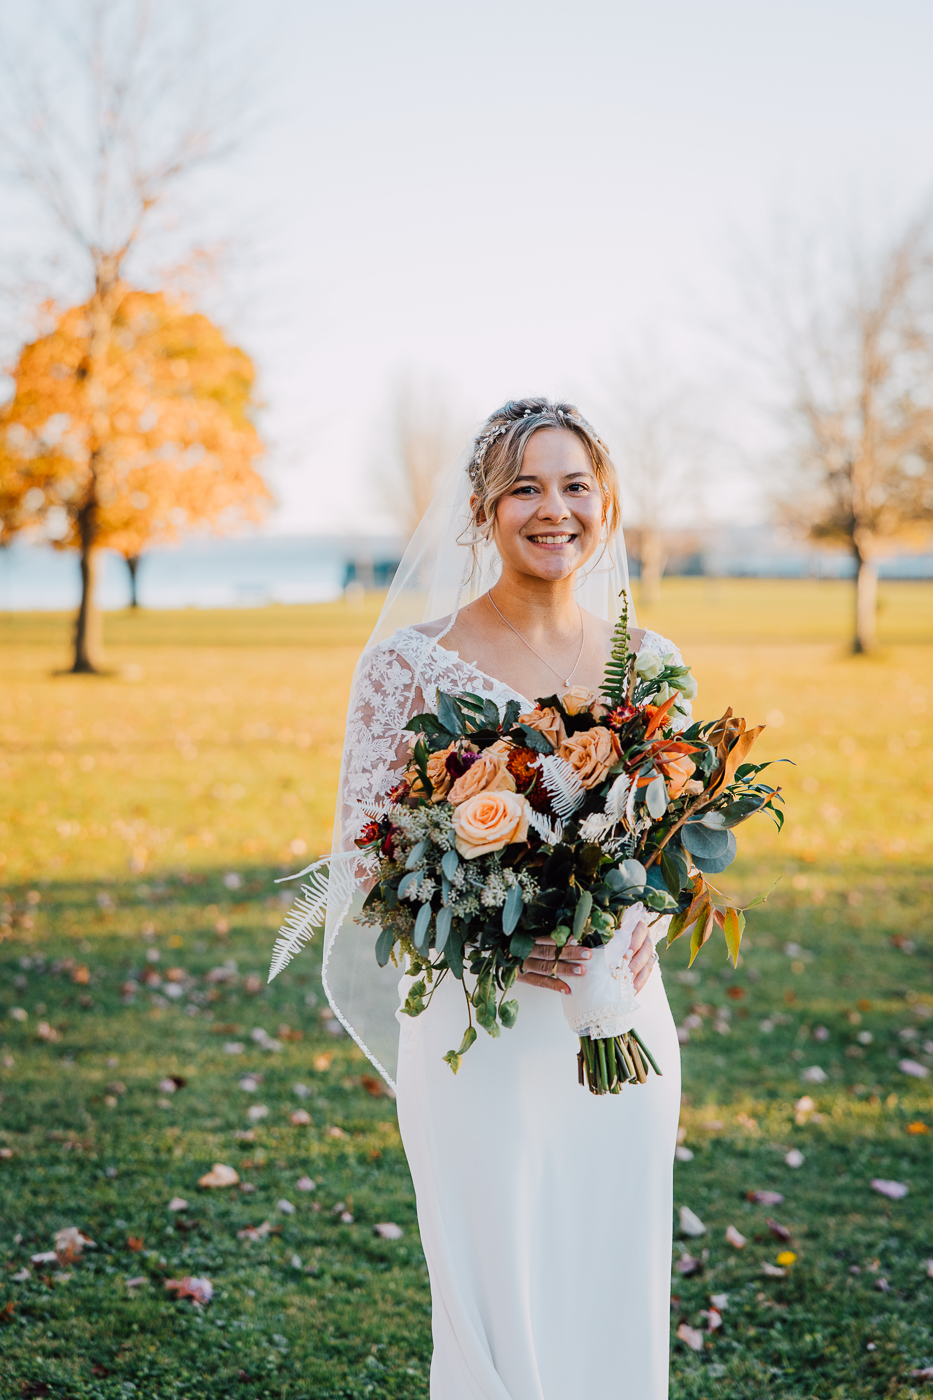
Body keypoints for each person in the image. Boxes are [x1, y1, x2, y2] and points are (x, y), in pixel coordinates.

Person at [274, 398, 687, 1399]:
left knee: (608, 1277)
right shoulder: (409, 666)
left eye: (576, 485)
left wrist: (650, 915)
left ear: (608, 502)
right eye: (526, 487)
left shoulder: (656, 663)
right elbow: (371, 865)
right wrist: (490, 937)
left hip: (622, 1023)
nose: (555, 509)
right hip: (483, 1030)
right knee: (495, 1295)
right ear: (482, 509)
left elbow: (673, 845)